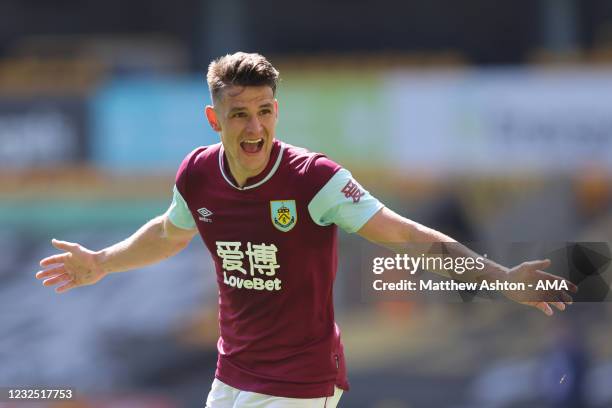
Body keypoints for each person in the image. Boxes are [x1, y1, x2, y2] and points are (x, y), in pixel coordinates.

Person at [36, 52, 576, 408]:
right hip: (231, 374)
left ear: (278, 110)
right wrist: (103, 262)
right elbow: (171, 232)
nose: (255, 127)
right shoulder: (197, 174)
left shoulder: (315, 179)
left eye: (265, 111)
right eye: (240, 114)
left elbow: (407, 235)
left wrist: (500, 277)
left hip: (300, 382)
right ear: (213, 118)